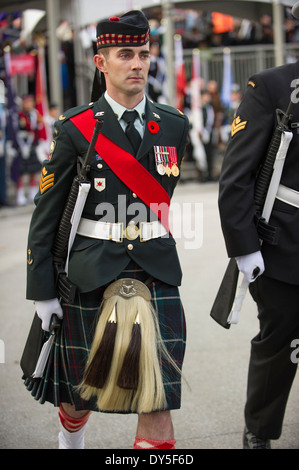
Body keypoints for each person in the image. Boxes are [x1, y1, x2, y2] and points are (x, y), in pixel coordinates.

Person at [23, 10, 189, 450]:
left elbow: (158, 202)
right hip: (91, 271)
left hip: (155, 270)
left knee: (157, 398)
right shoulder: (76, 128)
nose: (137, 64)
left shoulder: (174, 124)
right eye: (125, 54)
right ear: (101, 62)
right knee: (80, 393)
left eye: (143, 54)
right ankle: (70, 439)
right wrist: (43, 290)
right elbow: (46, 214)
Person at [218, 1, 299, 450]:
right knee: (281, 341)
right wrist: (245, 248)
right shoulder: (271, 86)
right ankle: (260, 430)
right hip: (287, 242)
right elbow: (236, 177)